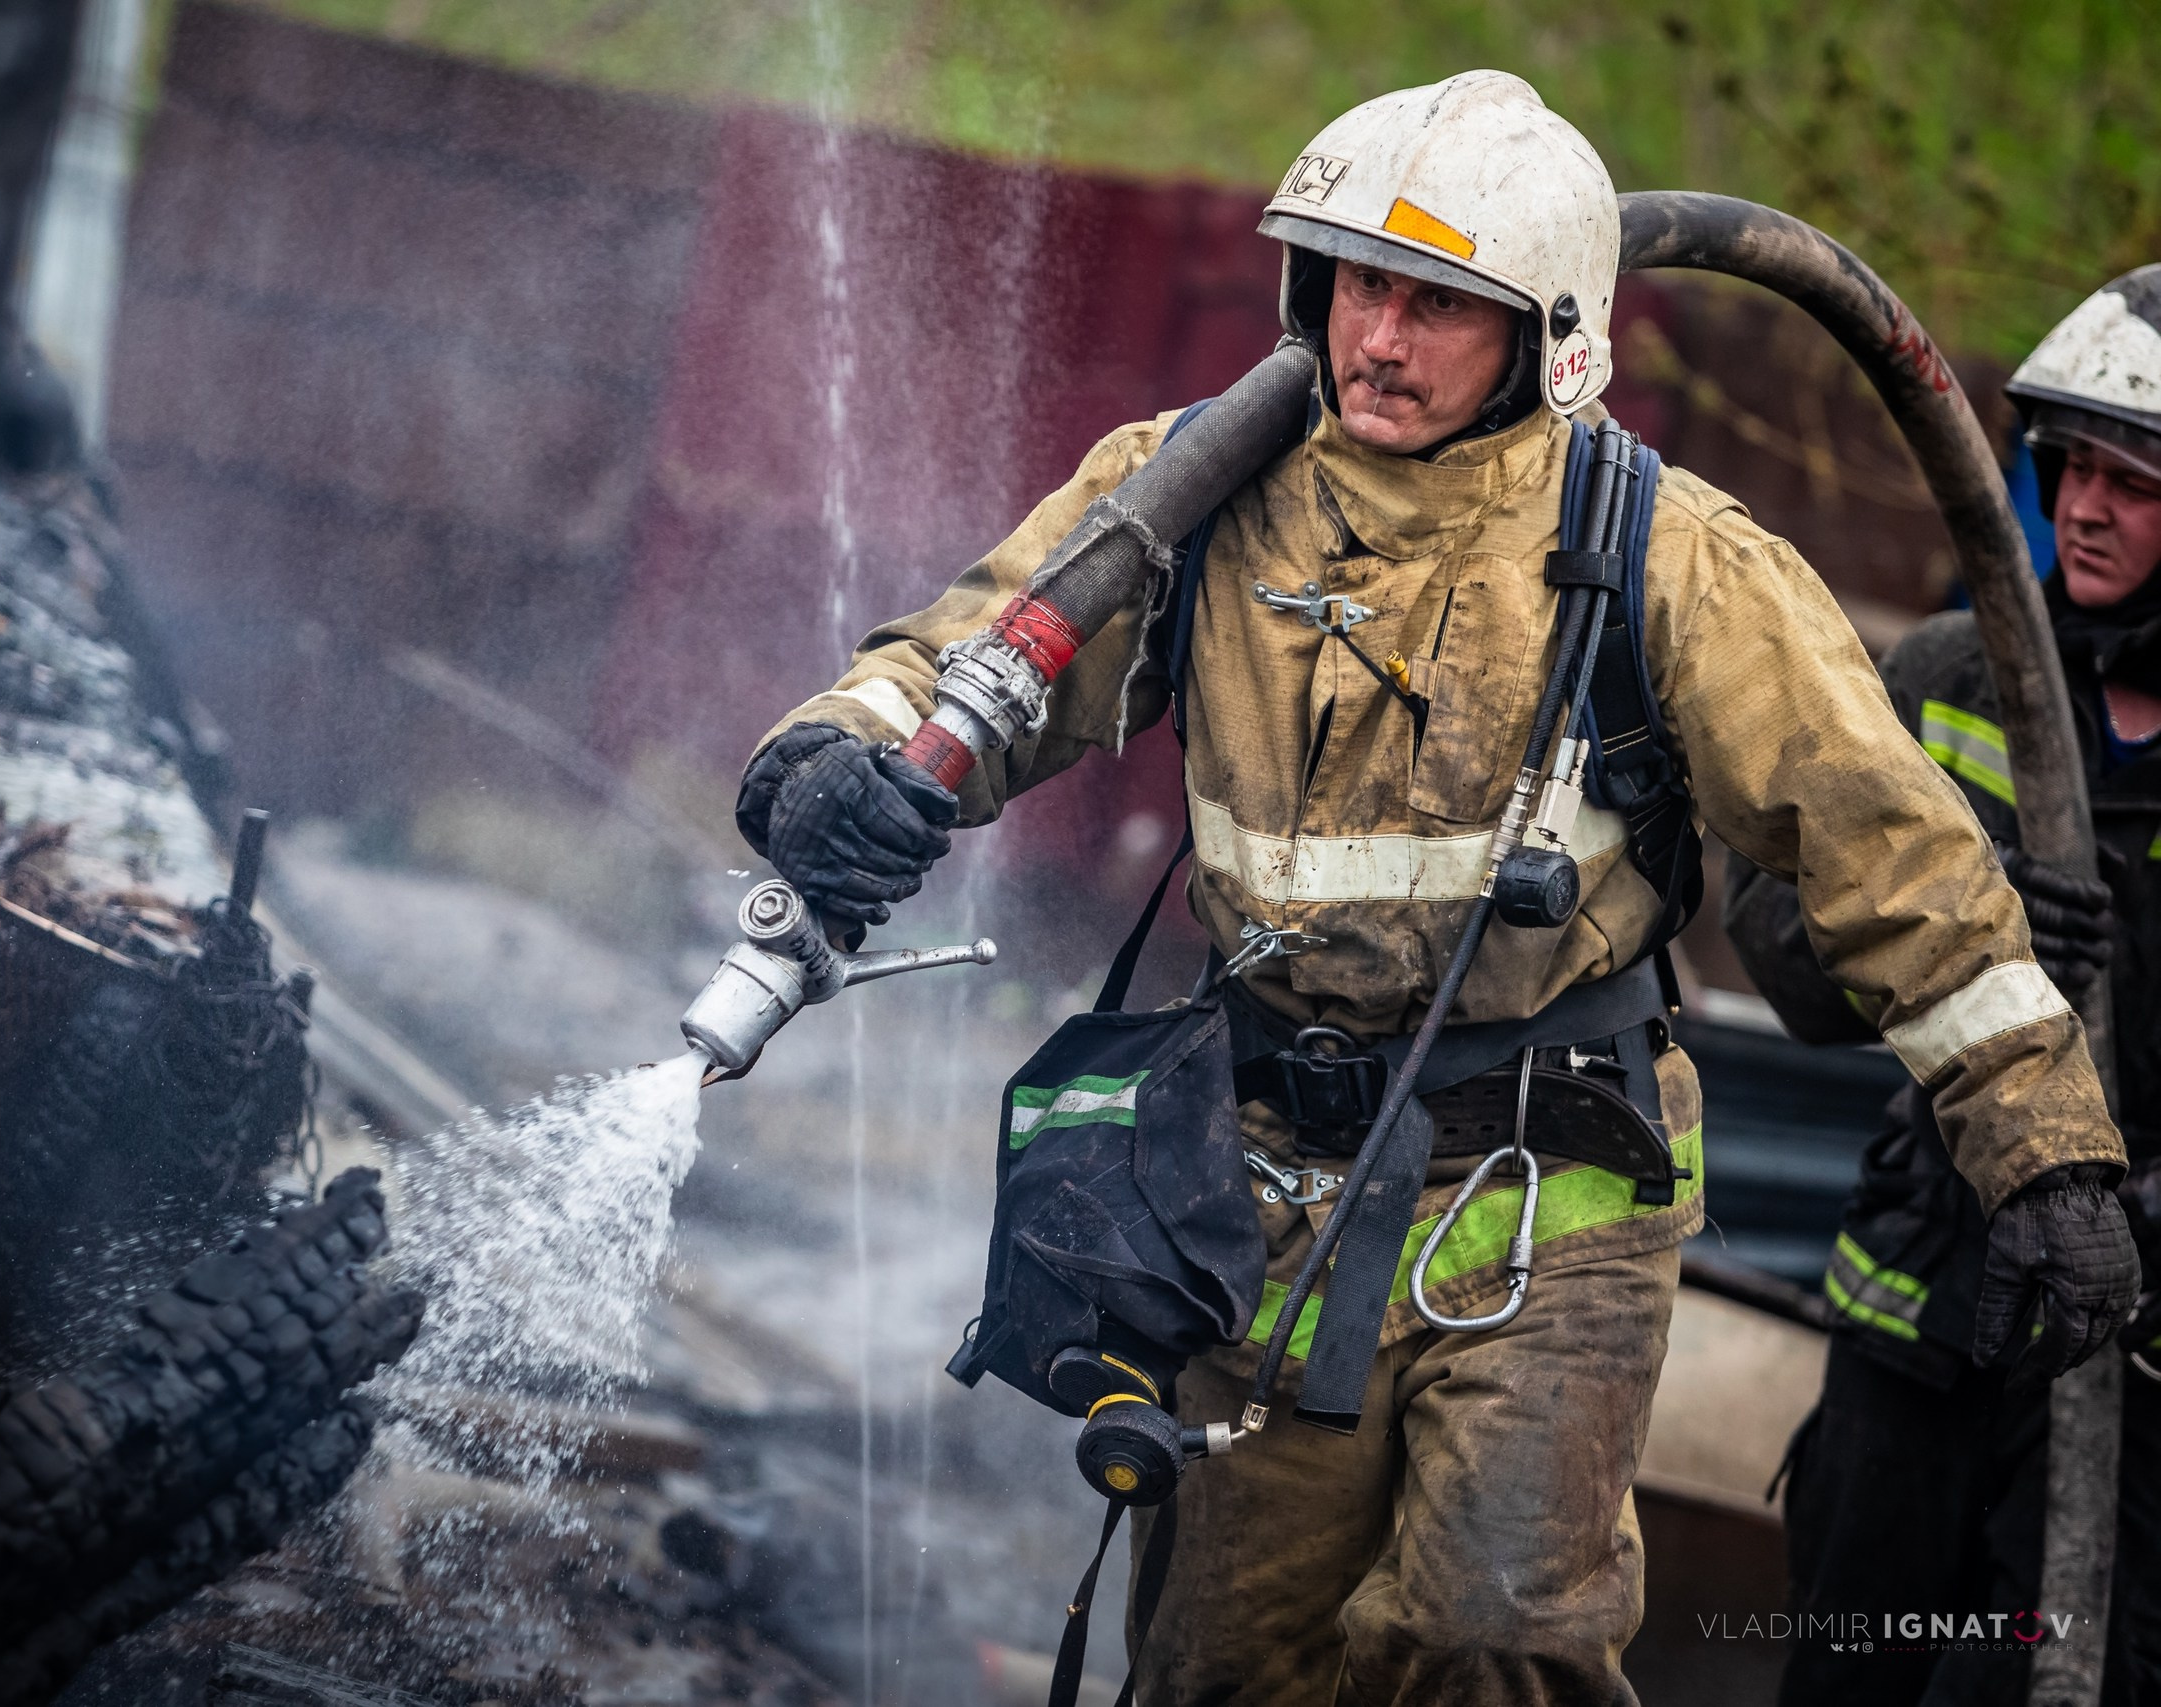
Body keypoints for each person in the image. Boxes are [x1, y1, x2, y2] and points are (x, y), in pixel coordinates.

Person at [737, 71, 2132, 1706]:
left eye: (1436, 303)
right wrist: (826, 759)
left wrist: (2046, 1158)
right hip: (1267, 1190)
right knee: (1227, 1670)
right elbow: (970, 663)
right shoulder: (1194, 491)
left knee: (1500, 1639)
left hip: (1559, 1184)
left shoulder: (1672, 556)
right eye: (1353, 284)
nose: (1376, 340)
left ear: (1549, 334)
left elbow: (1896, 863)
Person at [1727, 265, 2161, 1707]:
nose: (2086, 507)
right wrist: (1951, 926)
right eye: (2070, 468)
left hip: (2126, 1372)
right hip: (1914, 1329)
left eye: (2134, 480)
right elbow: (1782, 953)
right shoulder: (1948, 679)